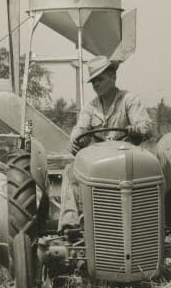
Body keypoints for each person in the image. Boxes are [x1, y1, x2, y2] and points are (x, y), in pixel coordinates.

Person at [57, 54, 155, 231]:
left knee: (152, 171)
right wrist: (75, 140)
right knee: (70, 172)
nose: (96, 84)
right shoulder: (90, 107)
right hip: (98, 163)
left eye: (99, 79)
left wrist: (136, 129)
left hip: (126, 160)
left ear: (113, 77)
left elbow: (146, 125)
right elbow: (79, 130)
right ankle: (70, 226)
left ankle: (150, 223)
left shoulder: (129, 100)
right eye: (93, 81)